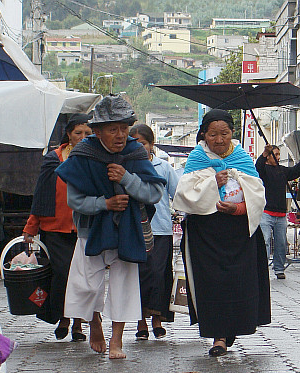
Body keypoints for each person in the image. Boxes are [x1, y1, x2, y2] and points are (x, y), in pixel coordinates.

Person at [55, 95, 166, 359]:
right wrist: (105, 204)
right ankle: (94, 322)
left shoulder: (135, 152)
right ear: (99, 131)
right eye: (113, 129)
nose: (120, 135)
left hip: (127, 230)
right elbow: (75, 200)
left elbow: (154, 193)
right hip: (89, 229)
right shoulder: (83, 154)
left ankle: (117, 340)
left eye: (124, 128)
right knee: (87, 285)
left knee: (125, 284)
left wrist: (127, 178)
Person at [173, 109, 270, 357]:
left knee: (238, 285)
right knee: (212, 286)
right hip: (206, 236)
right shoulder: (196, 159)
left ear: (232, 133)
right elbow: (184, 196)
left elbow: (258, 196)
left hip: (239, 234)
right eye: (213, 134)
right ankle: (218, 336)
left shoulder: (243, 159)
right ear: (203, 135)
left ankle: (231, 331)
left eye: (224, 134)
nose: (219, 140)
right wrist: (211, 183)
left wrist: (238, 208)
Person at [22, 114, 92, 341]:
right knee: (63, 274)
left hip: (84, 228)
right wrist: (31, 226)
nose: (82, 138)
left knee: (82, 277)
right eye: (78, 133)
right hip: (55, 228)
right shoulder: (53, 159)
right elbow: (41, 194)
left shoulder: (94, 159)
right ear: (68, 134)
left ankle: (79, 324)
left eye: (87, 134)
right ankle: (64, 318)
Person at [129, 124, 179, 340]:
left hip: (160, 229)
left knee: (159, 275)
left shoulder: (163, 167)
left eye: (144, 143)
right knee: (139, 276)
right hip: (135, 230)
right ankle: (141, 322)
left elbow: (178, 194)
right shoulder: (126, 167)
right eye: (136, 143)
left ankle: (157, 319)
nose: (140, 147)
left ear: (151, 145)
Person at [256, 144, 300, 279]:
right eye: (276, 154)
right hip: (266, 212)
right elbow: (258, 167)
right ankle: (262, 269)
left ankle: (279, 269)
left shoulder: (282, 170)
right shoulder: (263, 170)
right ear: (268, 156)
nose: (278, 157)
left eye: (279, 154)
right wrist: (264, 153)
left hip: (280, 214)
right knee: (265, 242)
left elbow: (295, 171)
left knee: (281, 244)